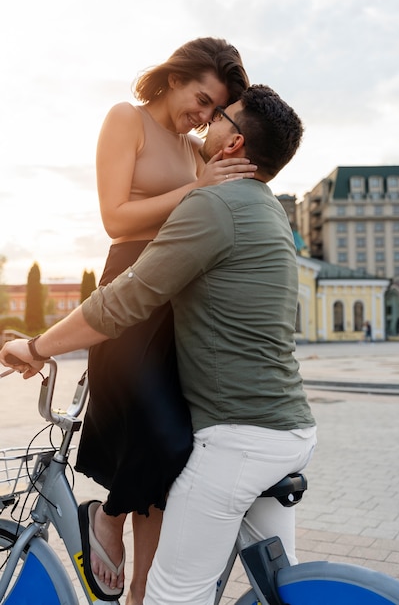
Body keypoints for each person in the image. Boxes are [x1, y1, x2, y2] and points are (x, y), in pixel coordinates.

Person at [0, 84, 317, 605]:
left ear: (234, 144)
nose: (207, 122)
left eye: (220, 117)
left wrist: (36, 348)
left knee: (171, 595)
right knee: (279, 591)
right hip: (289, 428)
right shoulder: (266, 210)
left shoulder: (214, 205)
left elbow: (120, 303)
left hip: (240, 439)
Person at [69, 37, 254, 603]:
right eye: (200, 99)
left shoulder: (194, 147)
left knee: (169, 476)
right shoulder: (127, 120)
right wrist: (195, 188)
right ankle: (107, 514)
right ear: (175, 78)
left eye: (213, 110)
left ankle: (141, 596)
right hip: (126, 297)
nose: (202, 116)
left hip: (177, 304)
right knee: (165, 440)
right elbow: (115, 219)